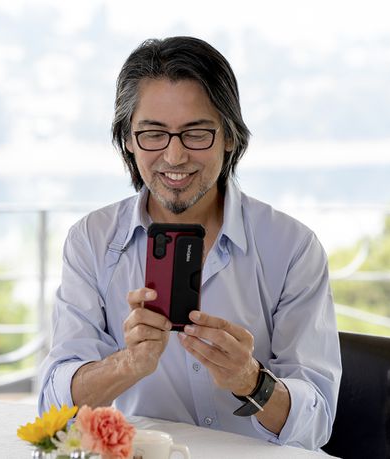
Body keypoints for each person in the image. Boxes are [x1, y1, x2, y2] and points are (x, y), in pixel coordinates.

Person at [38, 36, 341, 450]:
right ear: (128, 139)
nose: (175, 156)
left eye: (196, 133)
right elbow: (54, 405)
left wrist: (251, 381)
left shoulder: (292, 247)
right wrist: (128, 364)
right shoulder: (91, 241)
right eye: (153, 134)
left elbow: (317, 423)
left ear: (230, 136)